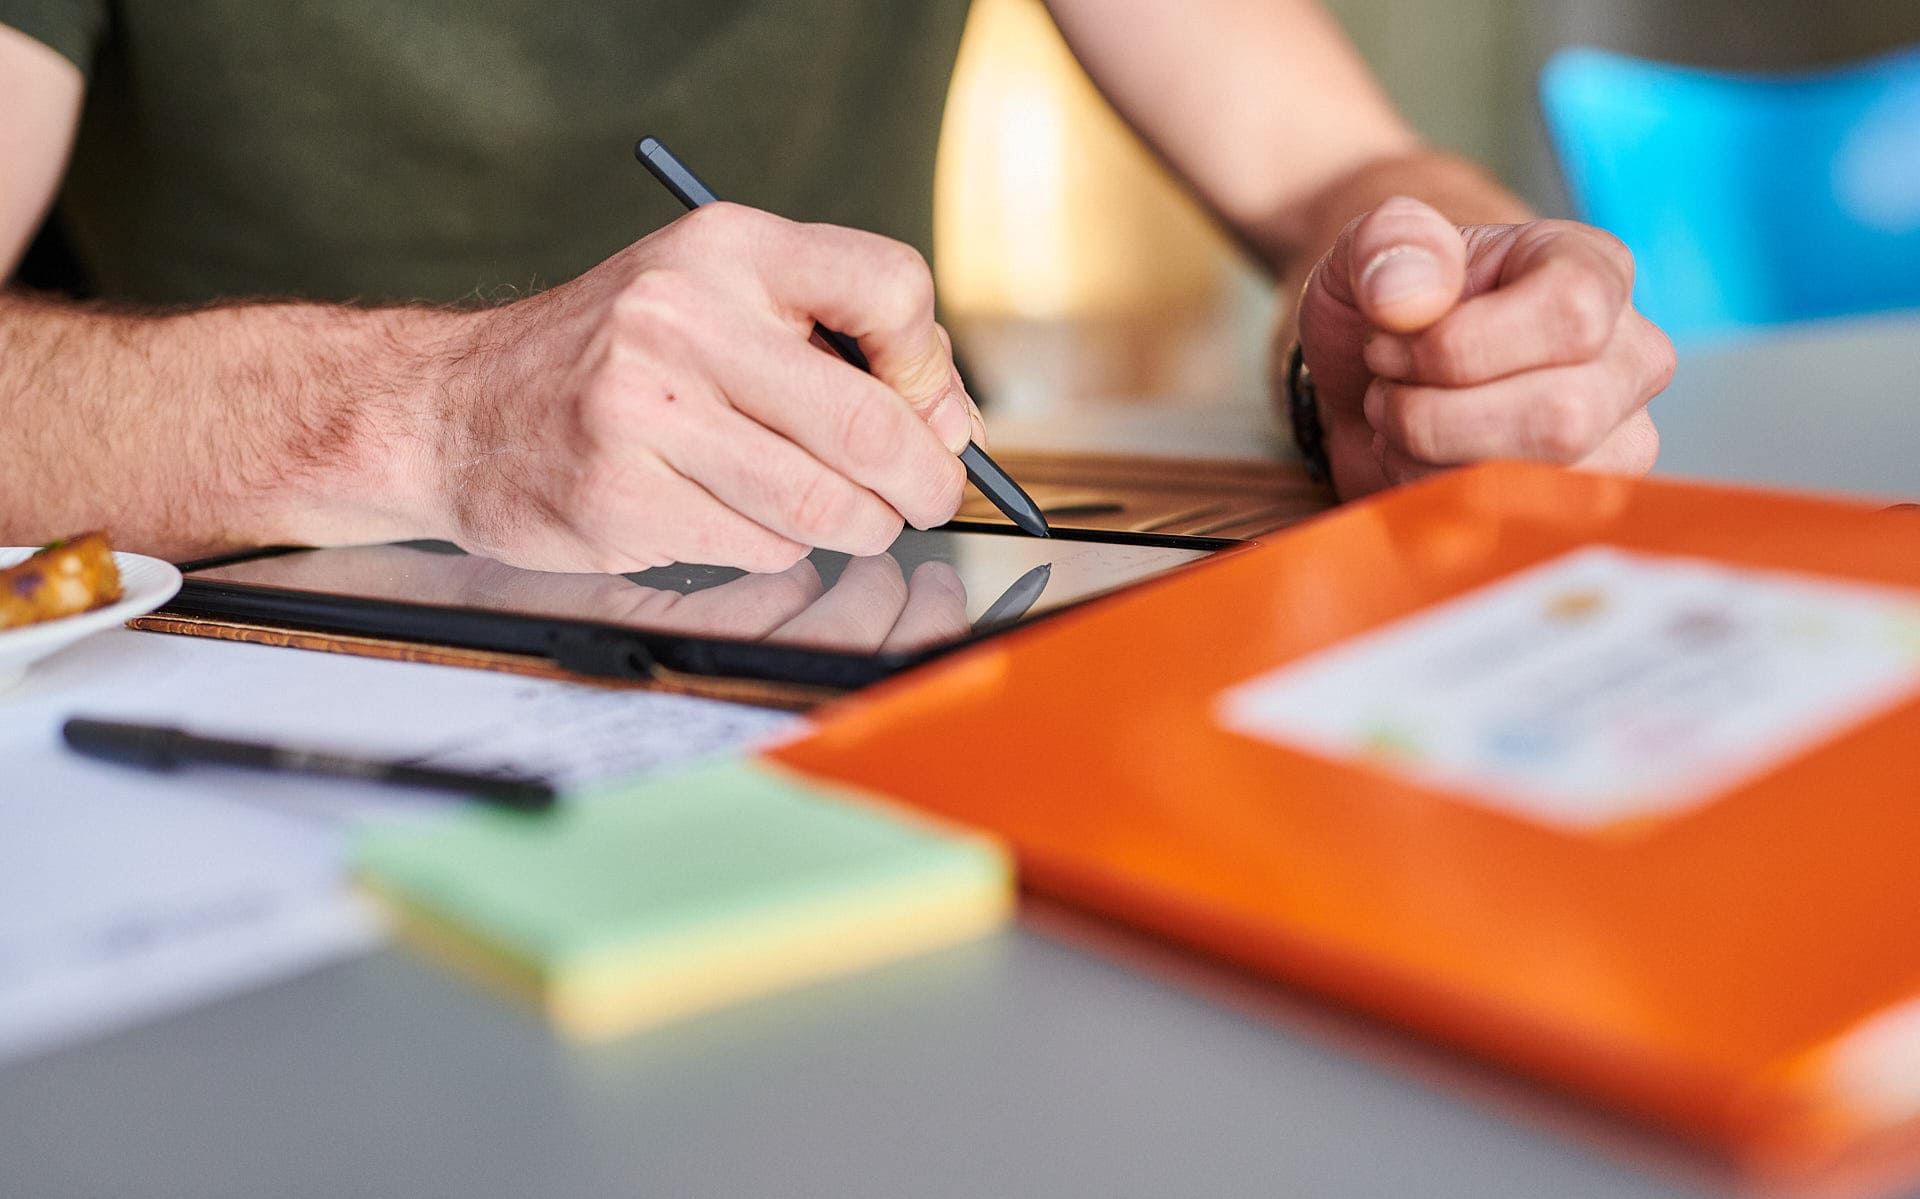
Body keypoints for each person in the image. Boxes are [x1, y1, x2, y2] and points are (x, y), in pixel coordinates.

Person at [0, 0, 1673, 577]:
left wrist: (1443, 317)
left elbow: (1329, 173)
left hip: (892, 598)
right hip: (250, 682)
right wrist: (441, 417)